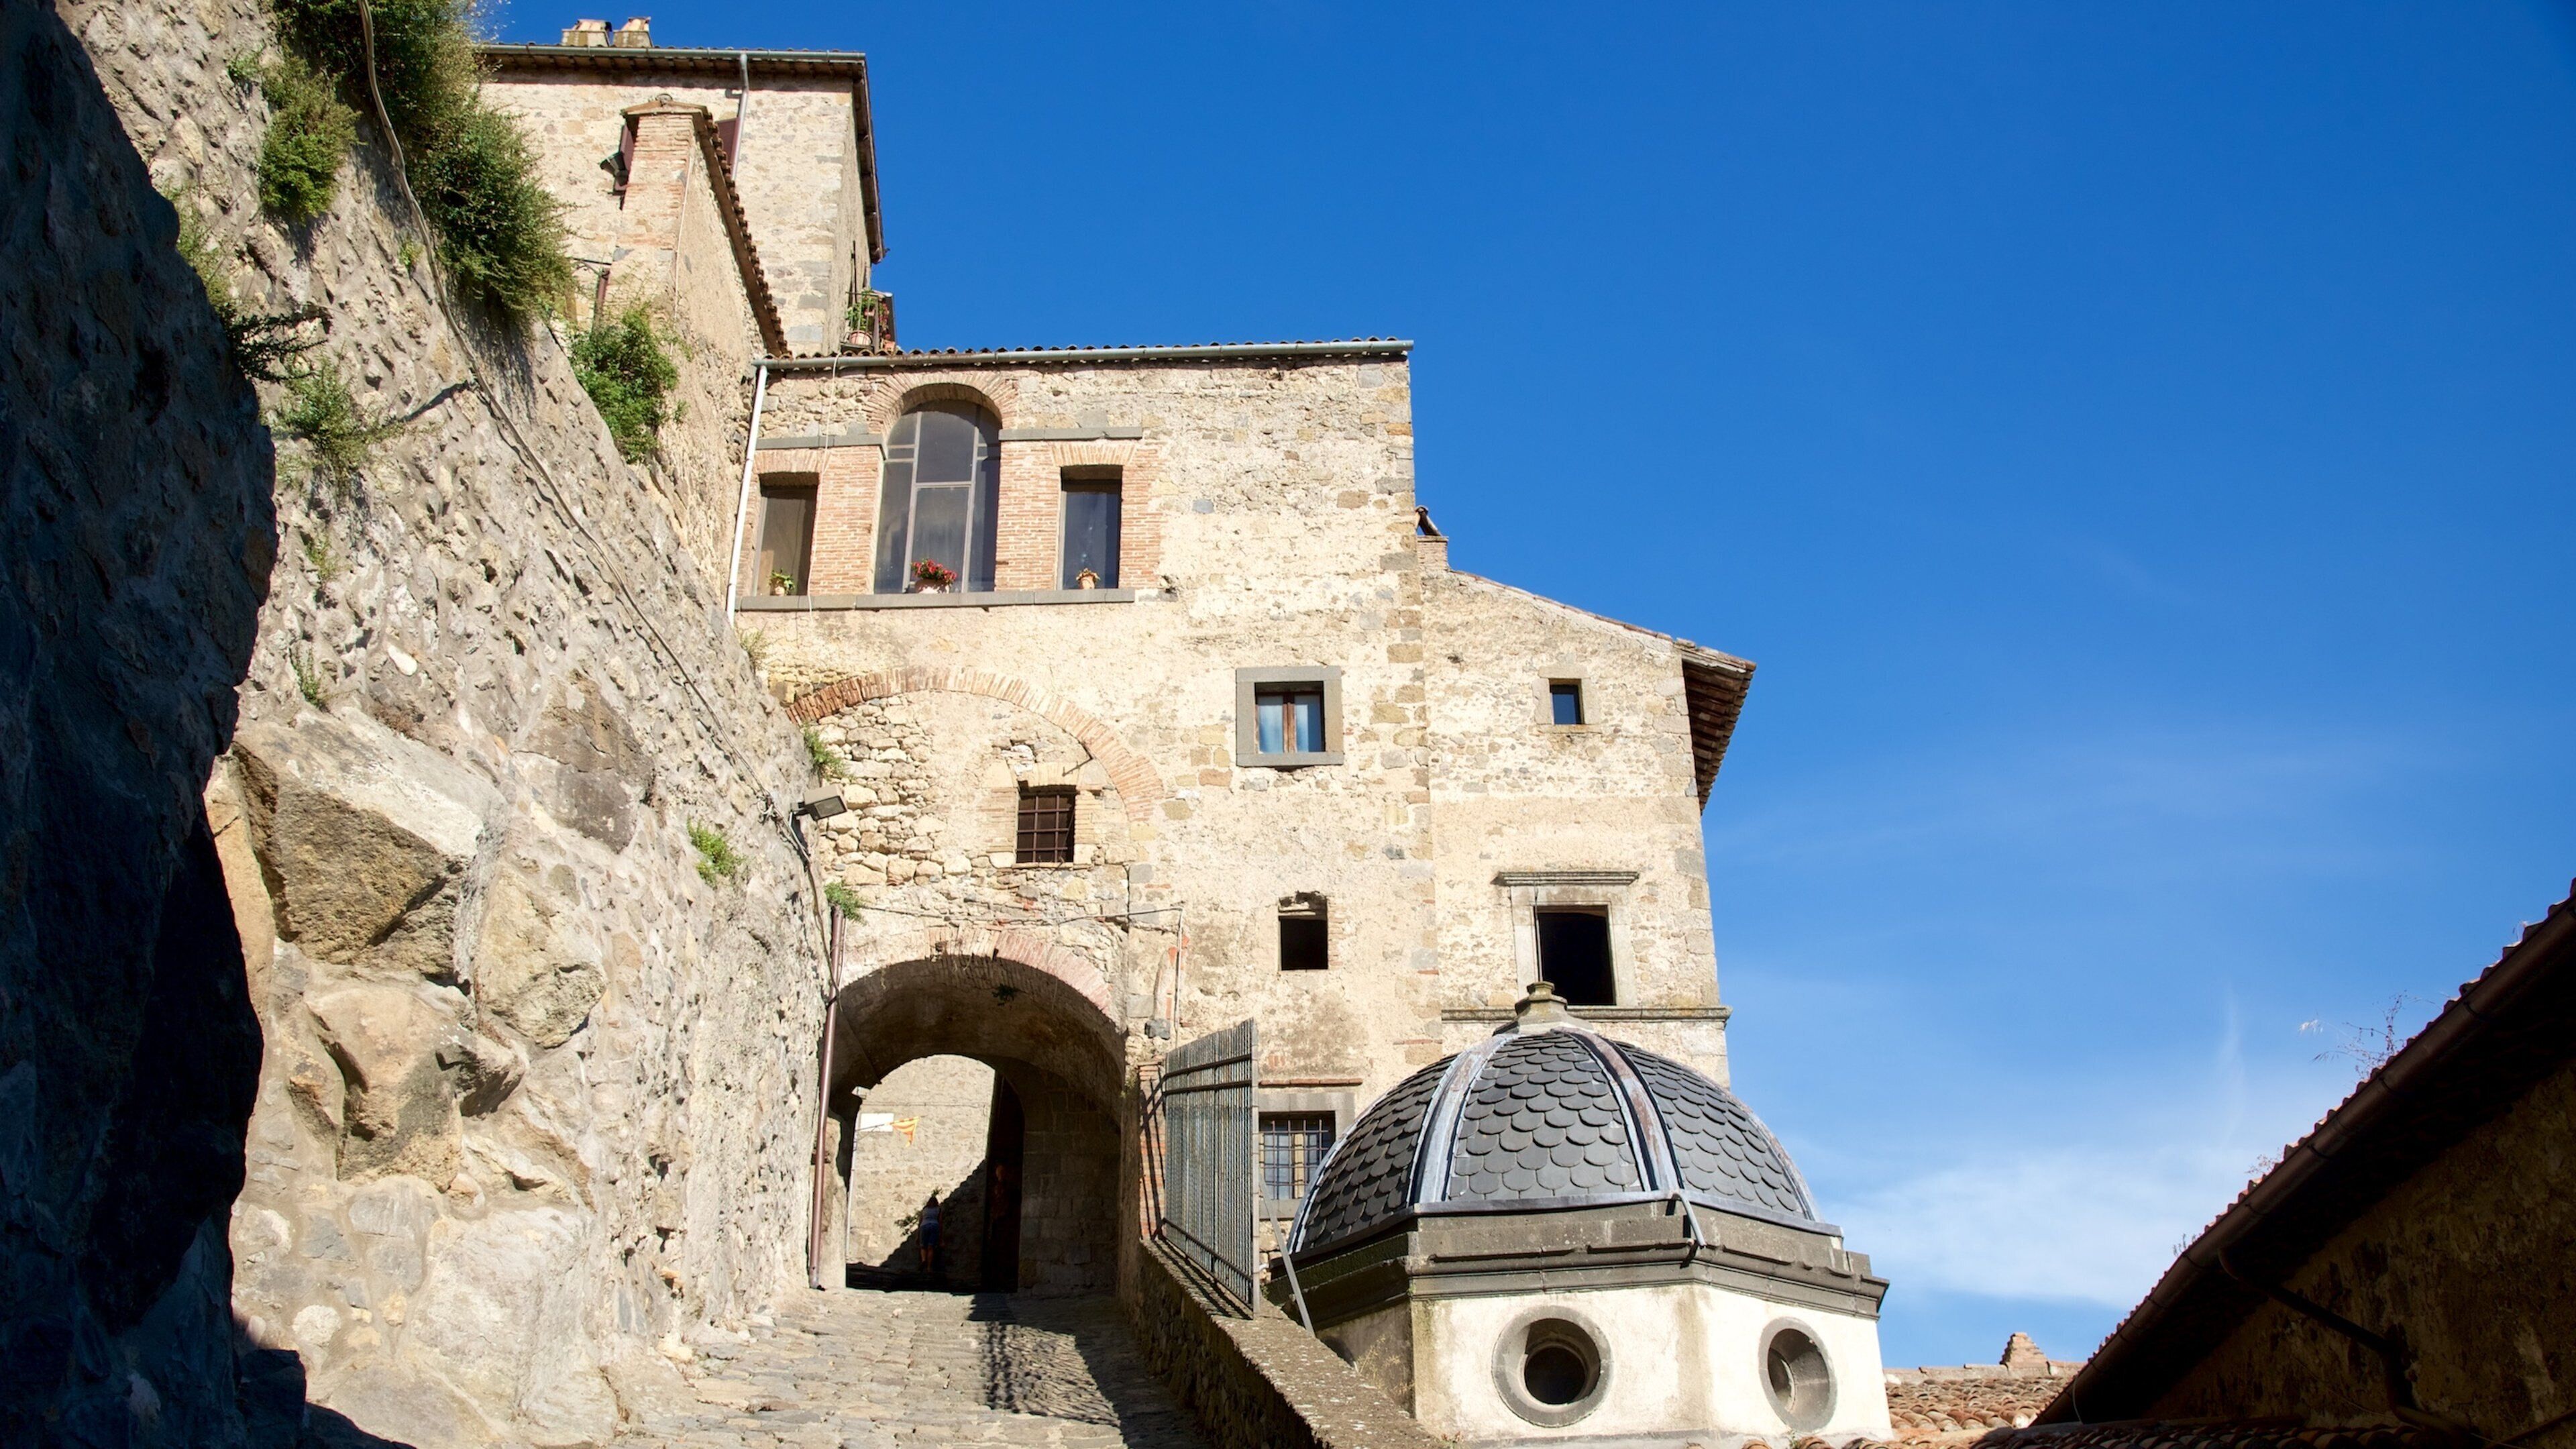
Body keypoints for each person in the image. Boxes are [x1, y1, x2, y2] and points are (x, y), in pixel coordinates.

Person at [916, 1193, 941, 1278]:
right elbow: (940, 1221)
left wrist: (917, 1235)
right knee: (931, 1247)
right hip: (934, 1226)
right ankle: (929, 1267)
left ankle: (923, 1260)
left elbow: (920, 1222)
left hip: (924, 1226)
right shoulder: (938, 1209)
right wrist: (941, 1236)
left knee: (923, 1247)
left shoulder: (924, 1210)